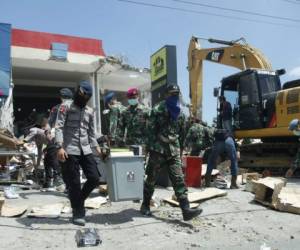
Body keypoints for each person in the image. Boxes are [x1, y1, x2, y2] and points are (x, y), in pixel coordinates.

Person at [140, 84, 202, 221]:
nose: (174, 96)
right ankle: (145, 205)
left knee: (178, 179)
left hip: (173, 150)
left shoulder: (180, 112)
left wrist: (180, 151)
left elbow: (182, 133)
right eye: (172, 94)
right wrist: (148, 150)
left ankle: (186, 209)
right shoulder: (157, 110)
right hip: (158, 150)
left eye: (176, 94)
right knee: (151, 179)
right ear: (166, 95)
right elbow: (150, 131)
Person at [55, 80, 102, 226]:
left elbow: (91, 132)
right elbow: (59, 127)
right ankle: (78, 211)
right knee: (74, 182)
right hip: (70, 149)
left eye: (86, 97)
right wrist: (59, 147)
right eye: (81, 95)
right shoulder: (65, 106)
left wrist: (96, 147)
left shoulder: (89, 111)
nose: (83, 99)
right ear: (77, 93)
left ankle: (77, 201)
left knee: (94, 178)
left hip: (86, 149)